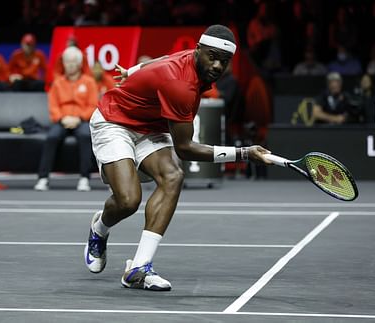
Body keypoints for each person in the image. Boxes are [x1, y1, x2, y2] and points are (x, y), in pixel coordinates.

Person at [83, 25, 271, 291]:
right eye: (213, 57)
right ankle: (99, 229)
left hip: (151, 127)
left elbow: (161, 60)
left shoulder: (194, 60)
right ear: (199, 51)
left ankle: (138, 268)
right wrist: (243, 153)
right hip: (115, 122)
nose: (218, 65)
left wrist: (133, 71)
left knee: (173, 176)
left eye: (224, 61)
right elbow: (185, 148)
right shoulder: (181, 85)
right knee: (128, 200)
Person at [34, 47, 98, 192]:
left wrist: (79, 117)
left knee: (85, 135)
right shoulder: (58, 83)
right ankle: (43, 178)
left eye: (73, 62)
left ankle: (84, 178)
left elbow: (93, 105)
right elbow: (53, 106)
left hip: (81, 119)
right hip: (62, 120)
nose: (69, 65)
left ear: (79, 64)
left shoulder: (89, 82)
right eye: (67, 62)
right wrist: (62, 118)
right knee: (51, 137)